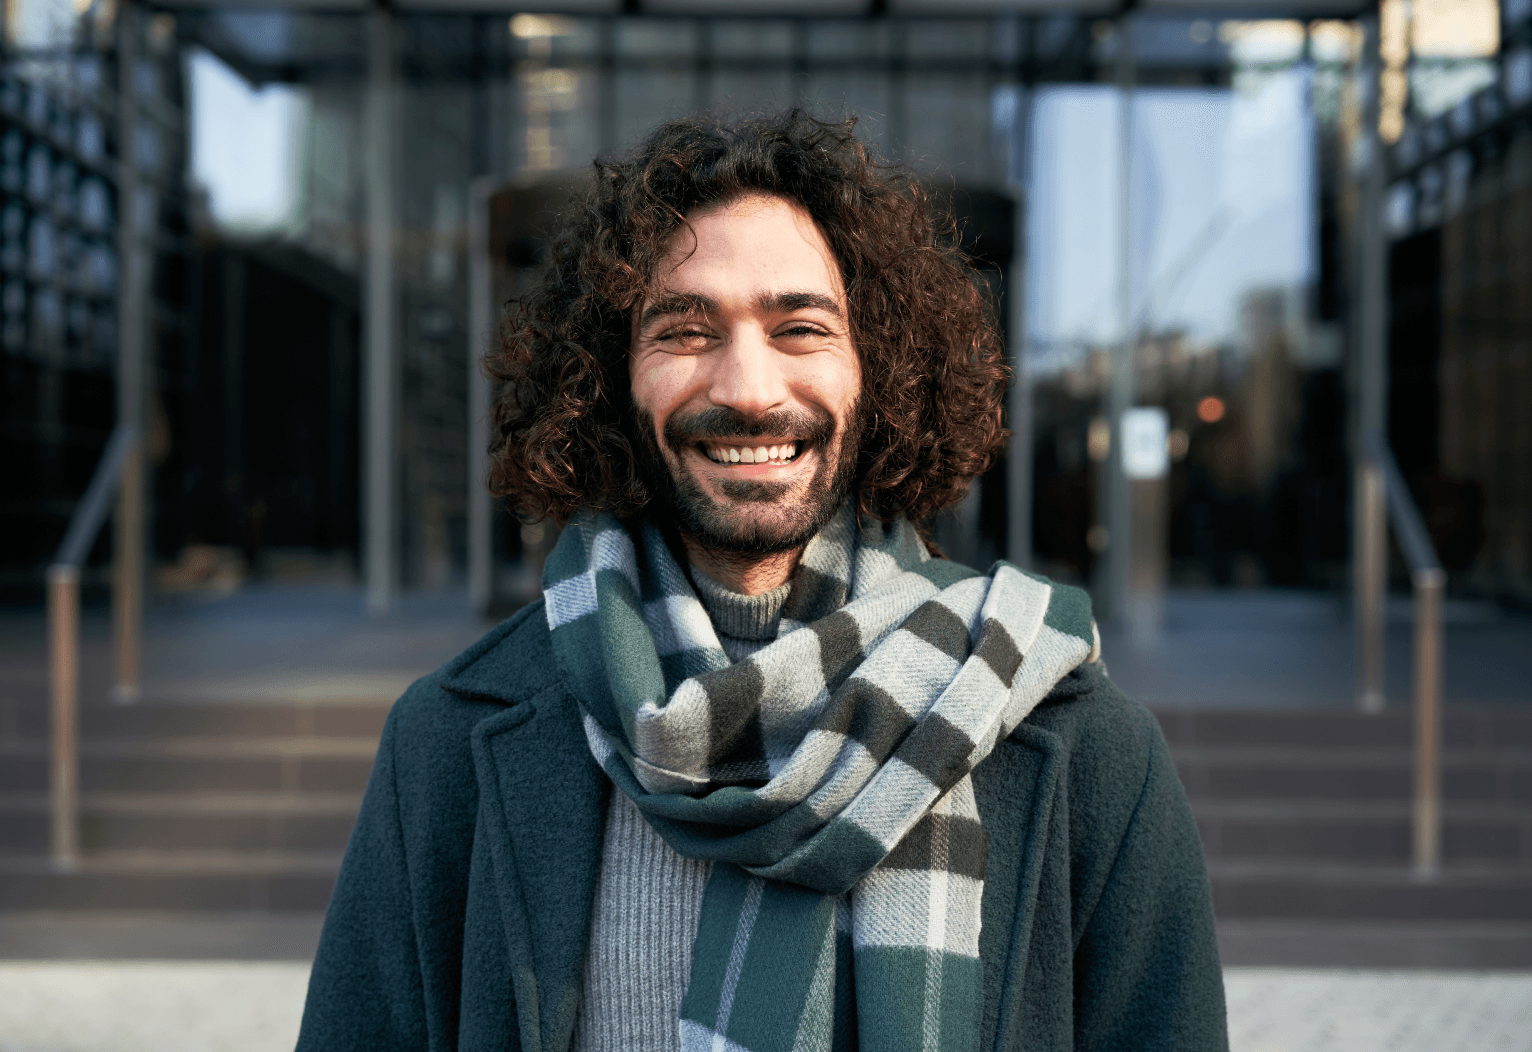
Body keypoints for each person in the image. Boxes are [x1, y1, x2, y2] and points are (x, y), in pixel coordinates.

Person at [297, 111, 1227, 1052]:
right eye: (686, 329)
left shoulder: (1082, 749)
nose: (748, 387)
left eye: (800, 328)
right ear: (612, 380)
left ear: (881, 368)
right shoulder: (446, 745)